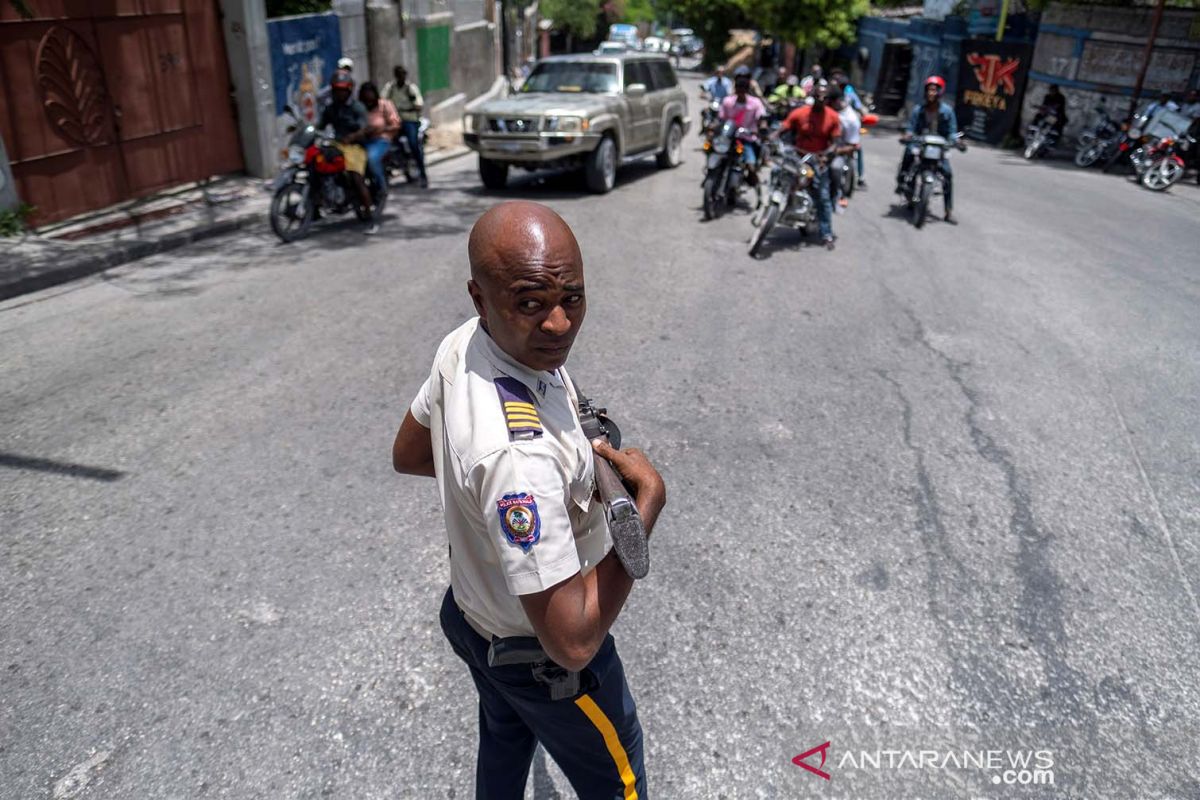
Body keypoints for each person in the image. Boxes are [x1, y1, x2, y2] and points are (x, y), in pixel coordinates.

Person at [391, 200, 667, 800]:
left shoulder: (465, 343)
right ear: (480, 296)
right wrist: (644, 506)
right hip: (542, 665)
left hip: (473, 619)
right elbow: (571, 643)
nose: (560, 325)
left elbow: (413, 453)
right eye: (531, 303)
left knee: (505, 740)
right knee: (621, 783)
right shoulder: (520, 461)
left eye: (573, 297)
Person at [776, 79, 841, 249]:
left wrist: (827, 155)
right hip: (797, 155)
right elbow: (784, 127)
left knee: (823, 196)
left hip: (817, 159)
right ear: (812, 95)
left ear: (827, 99)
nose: (820, 99)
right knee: (777, 171)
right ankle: (770, 205)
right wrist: (772, 136)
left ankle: (826, 233)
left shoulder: (833, 117)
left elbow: (835, 142)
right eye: (817, 95)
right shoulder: (800, 113)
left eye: (823, 97)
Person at [318, 70, 379, 234]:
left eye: (343, 89)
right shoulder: (331, 108)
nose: (340, 93)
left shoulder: (357, 107)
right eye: (337, 89)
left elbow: (365, 127)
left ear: (349, 90)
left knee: (356, 177)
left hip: (355, 147)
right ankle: (317, 207)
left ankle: (370, 218)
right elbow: (320, 125)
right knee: (316, 164)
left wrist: (352, 137)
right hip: (337, 144)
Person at [897, 75, 959, 224]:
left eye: (934, 90)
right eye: (929, 90)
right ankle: (902, 183)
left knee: (948, 174)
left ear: (940, 92)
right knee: (908, 155)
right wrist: (908, 135)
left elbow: (952, 131)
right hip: (920, 145)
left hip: (939, 149)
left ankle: (948, 211)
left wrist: (956, 141)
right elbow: (911, 128)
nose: (931, 93)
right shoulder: (918, 110)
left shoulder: (947, 112)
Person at [719, 71, 769, 185]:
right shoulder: (728, 101)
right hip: (727, 137)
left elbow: (761, 117)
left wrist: (763, 127)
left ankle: (753, 182)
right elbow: (721, 118)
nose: (740, 93)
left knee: (750, 166)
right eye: (738, 89)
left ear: (747, 90)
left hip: (746, 139)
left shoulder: (755, 103)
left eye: (743, 90)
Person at [384, 65, 429, 188]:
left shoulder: (411, 88)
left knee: (413, 144)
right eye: (399, 74)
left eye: (403, 74)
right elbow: (383, 101)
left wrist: (406, 108)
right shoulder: (390, 88)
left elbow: (419, 105)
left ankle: (423, 175)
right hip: (394, 121)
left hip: (410, 120)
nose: (401, 77)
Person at [358, 81, 400, 199]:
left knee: (371, 159)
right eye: (365, 93)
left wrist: (379, 129)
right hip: (362, 140)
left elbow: (396, 124)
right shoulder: (359, 108)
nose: (368, 97)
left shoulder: (385, 105)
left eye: (370, 93)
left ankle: (382, 187)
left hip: (381, 140)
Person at [828, 88, 861, 211]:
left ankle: (835, 196)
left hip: (839, 152)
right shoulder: (826, 111)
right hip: (818, 148)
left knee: (835, 168)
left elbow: (852, 146)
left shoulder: (851, 119)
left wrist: (835, 151)